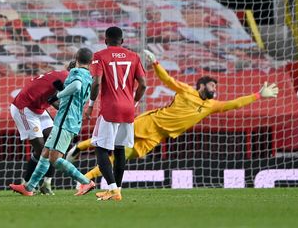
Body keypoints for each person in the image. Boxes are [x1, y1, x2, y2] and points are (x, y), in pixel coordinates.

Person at [67, 50, 280, 182]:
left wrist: (258, 95)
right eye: (212, 84)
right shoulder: (187, 90)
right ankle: (80, 147)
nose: (215, 88)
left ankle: (86, 177)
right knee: (110, 141)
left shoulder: (211, 105)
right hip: (149, 121)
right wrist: (156, 64)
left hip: (157, 136)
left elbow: (233, 104)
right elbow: (168, 80)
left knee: (122, 157)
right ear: (202, 85)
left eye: (215, 85)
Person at [9, 48, 96, 197]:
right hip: (63, 116)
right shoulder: (89, 76)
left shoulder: (74, 73)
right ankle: (30, 187)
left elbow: (75, 87)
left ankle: (85, 181)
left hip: (66, 119)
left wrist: (60, 94)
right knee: (45, 152)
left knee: (53, 157)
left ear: (76, 60)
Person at [84, 26, 146, 201]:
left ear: (105, 40)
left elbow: (96, 83)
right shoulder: (134, 56)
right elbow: (143, 84)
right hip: (128, 108)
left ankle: (112, 189)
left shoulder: (100, 56)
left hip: (110, 108)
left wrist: (90, 105)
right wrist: (134, 102)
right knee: (119, 150)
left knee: (101, 148)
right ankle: (117, 189)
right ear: (123, 41)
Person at [9, 62, 74, 194]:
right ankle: (26, 183)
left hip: (39, 109)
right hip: (24, 108)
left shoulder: (62, 77)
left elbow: (52, 99)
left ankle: (46, 184)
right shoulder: (67, 77)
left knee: (53, 145)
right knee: (42, 149)